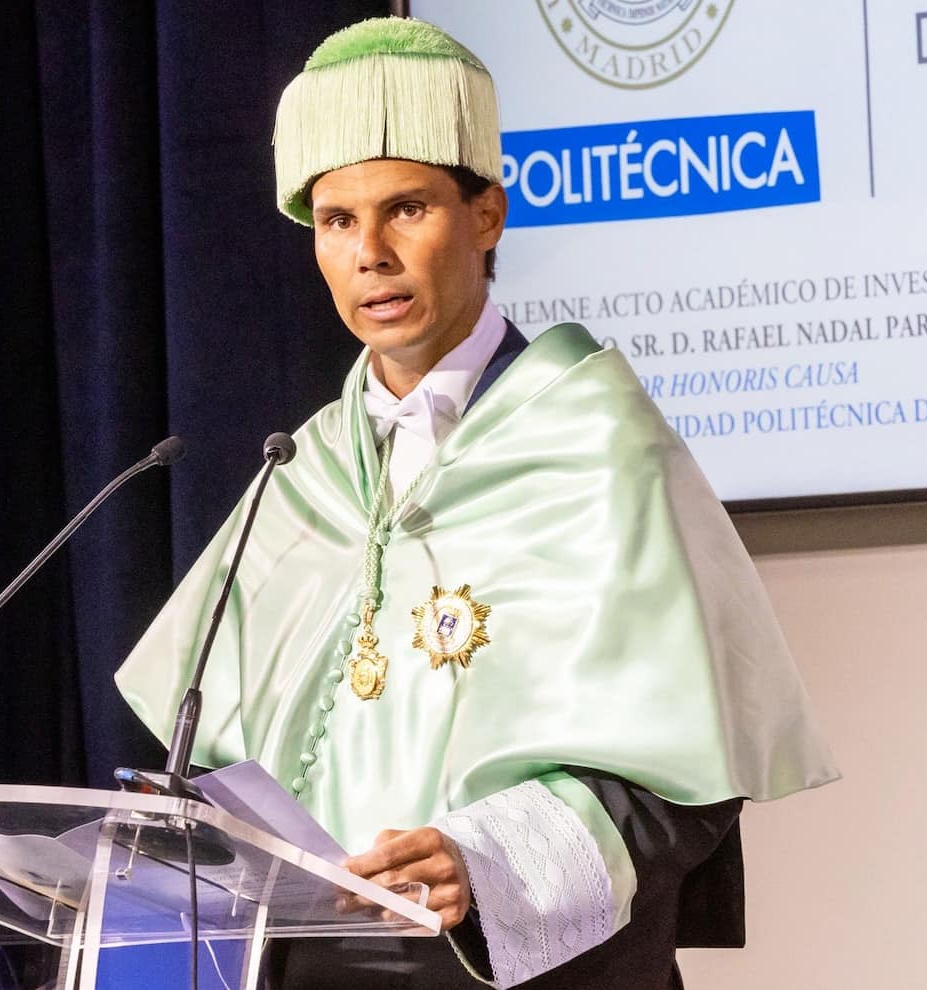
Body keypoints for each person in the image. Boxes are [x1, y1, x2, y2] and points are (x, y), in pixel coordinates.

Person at [115, 16, 838, 989]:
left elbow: (686, 785)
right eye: (337, 222)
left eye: (406, 209)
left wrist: (483, 865)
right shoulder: (306, 470)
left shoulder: (591, 440)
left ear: (487, 216)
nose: (370, 253)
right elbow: (221, 773)